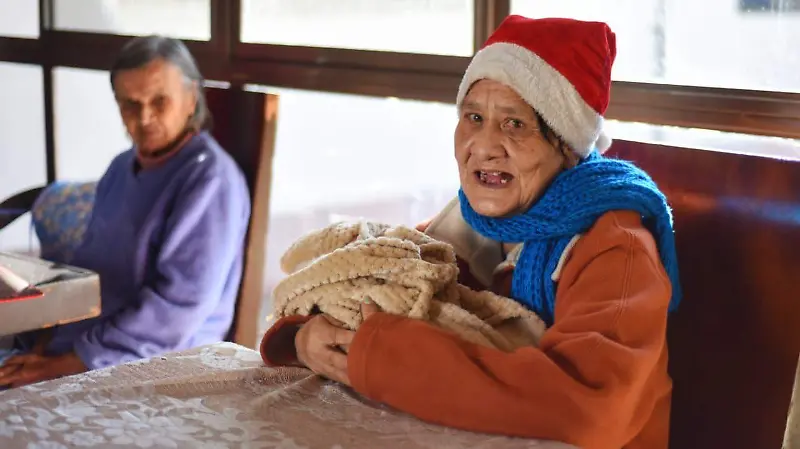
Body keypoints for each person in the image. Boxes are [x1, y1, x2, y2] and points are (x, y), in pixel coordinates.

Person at [259, 16, 681, 449]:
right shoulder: (461, 229)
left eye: (515, 124)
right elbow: (377, 293)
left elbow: (588, 407)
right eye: (474, 117)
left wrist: (386, 357)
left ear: (568, 147)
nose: (483, 145)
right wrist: (306, 337)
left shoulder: (616, 249)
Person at [0, 36, 251, 387]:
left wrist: (63, 363)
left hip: (160, 359)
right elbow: (87, 270)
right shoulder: (121, 167)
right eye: (130, 104)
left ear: (191, 98)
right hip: (84, 343)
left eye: (159, 101)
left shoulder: (211, 180)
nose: (144, 117)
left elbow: (178, 309)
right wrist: (46, 342)